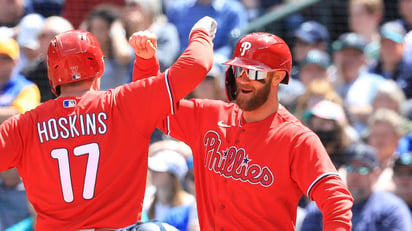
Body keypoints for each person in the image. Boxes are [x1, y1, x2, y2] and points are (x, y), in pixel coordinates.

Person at [0, 16, 217, 230]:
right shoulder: (122, 104)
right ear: (98, 65)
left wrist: (146, 62)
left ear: (52, 74)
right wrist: (201, 31)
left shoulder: (23, 125)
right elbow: (197, 64)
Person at [135, 32, 354, 230]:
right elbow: (151, 104)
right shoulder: (208, 116)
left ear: (277, 77)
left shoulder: (296, 139)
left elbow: (336, 199)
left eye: (255, 73)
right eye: (240, 69)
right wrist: (146, 62)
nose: (243, 78)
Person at [302, 142, 412, 230]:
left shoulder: (391, 208)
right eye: (351, 168)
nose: (355, 175)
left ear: (375, 174)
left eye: (363, 169)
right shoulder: (321, 207)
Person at [0, 37, 40, 123]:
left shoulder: (27, 88)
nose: (0, 62)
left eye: (5, 58)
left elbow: (22, 115)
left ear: (16, 62)